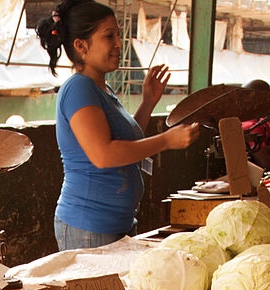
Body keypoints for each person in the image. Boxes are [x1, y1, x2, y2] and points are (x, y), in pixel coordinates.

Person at [36, 0, 196, 250]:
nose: (119, 45)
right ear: (81, 46)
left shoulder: (102, 88)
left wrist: (148, 103)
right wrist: (166, 140)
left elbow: (128, 145)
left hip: (114, 223)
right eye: (109, 36)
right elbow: (103, 155)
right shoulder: (79, 88)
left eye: (118, 36)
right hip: (89, 227)